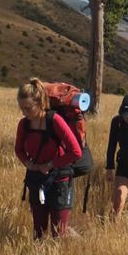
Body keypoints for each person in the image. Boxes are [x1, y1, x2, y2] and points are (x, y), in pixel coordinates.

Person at [15, 78, 83, 239]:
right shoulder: (24, 125)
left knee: (58, 232)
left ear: (40, 103)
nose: (24, 112)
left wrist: (51, 164)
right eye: (22, 108)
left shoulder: (55, 121)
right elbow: (18, 149)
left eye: (28, 108)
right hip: (36, 180)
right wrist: (28, 164)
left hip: (59, 180)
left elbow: (76, 152)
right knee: (38, 232)